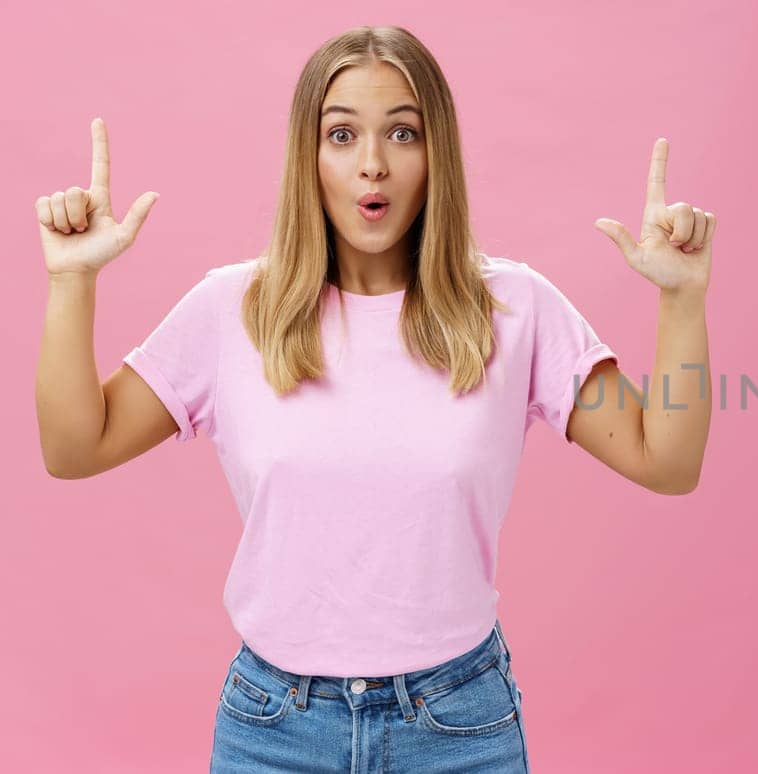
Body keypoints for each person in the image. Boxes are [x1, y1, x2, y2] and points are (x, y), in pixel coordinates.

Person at [34, 25, 714, 773]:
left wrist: (682, 301)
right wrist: (72, 281)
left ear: (437, 154)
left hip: (460, 726)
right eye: (341, 134)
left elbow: (667, 459)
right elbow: (74, 448)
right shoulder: (232, 310)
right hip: (273, 730)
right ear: (308, 155)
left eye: (402, 132)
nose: (373, 165)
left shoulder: (514, 308)